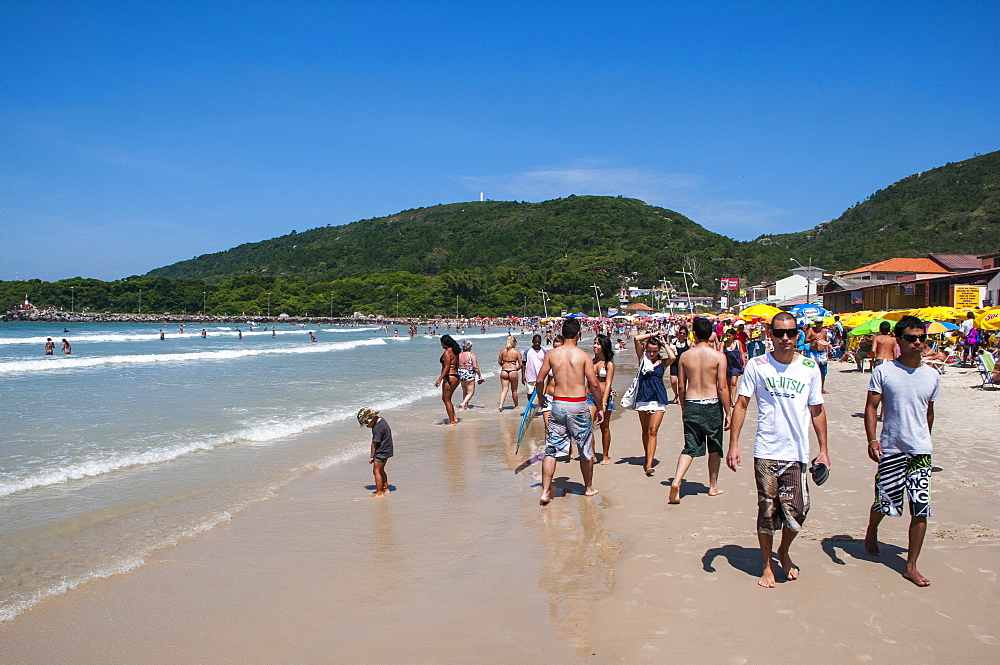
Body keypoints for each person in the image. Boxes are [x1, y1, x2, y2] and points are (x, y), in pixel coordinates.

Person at [726, 311, 830, 588]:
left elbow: (817, 409)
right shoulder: (758, 365)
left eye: (791, 333)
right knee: (768, 511)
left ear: (798, 335)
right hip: (766, 450)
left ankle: (783, 550)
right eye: (779, 333)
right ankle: (767, 565)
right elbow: (742, 404)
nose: (785, 338)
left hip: (796, 452)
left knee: (797, 510)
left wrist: (824, 449)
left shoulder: (809, 368)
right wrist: (733, 444)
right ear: (770, 335)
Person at [863, 315, 939, 587]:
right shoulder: (884, 372)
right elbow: (871, 407)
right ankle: (872, 529)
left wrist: (924, 440)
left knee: (920, 507)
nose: (918, 343)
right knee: (884, 501)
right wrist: (873, 440)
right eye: (911, 338)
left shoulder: (932, 375)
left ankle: (911, 565)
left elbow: (929, 412)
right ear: (899, 340)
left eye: (922, 338)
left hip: (919, 451)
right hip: (891, 448)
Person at [535, 318, 605, 505]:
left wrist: (541, 397)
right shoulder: (582, 356)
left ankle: (545, 491)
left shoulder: (552, 354)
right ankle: (588, 487)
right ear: (578, 334)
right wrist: (600, 408)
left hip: (558, 404)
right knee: (584, 448)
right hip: (578, 404)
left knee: (551, 449)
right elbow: (594, 384)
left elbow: (540, 379)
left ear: (562, 331)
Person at [669, 317, 731, 504]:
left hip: (692, 402)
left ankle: (677, 481)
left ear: (693, 333)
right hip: (712, 404)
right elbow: (722, 387)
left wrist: (683, 406)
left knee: (690, 446)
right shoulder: (719, 357)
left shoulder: (685, 356)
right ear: (711, 333)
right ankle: (712, 486)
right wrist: (728, 411)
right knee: (714, 446)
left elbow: (681, 386)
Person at [632, 330, 676, 477]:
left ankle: (649, 464)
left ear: (659, 351)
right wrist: (653, 334)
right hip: (643, 396)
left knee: (653, 430)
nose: (651, 354)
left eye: (654, 351)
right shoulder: (642, 359)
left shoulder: (662, 362)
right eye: (649, 351)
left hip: (658, 397)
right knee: (645, 430)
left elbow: (673, 357)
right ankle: (647, 456)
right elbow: (637, 338)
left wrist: (663, 342)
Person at [589, 334, 616, 464]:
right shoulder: (591, 361)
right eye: (594, 343)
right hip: (589, 397)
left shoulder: (609, 364)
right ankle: (592, 454)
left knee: (604, 427)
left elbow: (609, 383)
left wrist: (604, 402)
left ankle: (605, 455)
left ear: (604, 346)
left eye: (598, 344)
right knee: (589, 425)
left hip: (605, 396)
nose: (595, 346)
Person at [358, 407, 393, 498]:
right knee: (381, 470)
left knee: (376, 471)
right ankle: (385, 488)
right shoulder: (382, 421)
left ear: (371, 419)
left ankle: (379, 492)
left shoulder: (377, 428)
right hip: (387, 449)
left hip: (381, 451)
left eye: (366, 423)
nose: (366, 426)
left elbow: (374, 444)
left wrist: (372, 456)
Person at [435, 334, 461, 425]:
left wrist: (439, 379)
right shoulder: (455, 351)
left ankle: (452, 421)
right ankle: (454, 418)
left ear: (445, 343)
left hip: (450, 376)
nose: (441, 345)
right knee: (448, 399)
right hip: (456, 376)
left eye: (442, 343)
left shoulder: (447, 352)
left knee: (446, 399)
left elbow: (446, 367)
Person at [497, 336, 522, 411]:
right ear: (514, 343)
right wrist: (516, 368)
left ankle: (501, 405)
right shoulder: (517, 352)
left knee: (504, 389)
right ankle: (516, 406)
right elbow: (521, 364)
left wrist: (503, 366)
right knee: (514, 390)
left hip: (504, 371)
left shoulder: (502, 351)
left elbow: (499, 361)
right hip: (513, 371)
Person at [457, 340, 484, 409]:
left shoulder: (459, 354)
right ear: (469, 347)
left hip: (461, 374)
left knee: (465, 391)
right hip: (469, 374)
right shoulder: (471, 355)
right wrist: (479, 375)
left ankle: (466, 405)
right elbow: (475, 366)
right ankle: (463, 404)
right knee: (470, 392)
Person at [722, 328, 745, 406]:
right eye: (727, 336)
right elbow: (720, 354)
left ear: (734, 336)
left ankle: (733, 400)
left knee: (734, 383)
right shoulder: (724, 344)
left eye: (729, 336)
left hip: (735, 365)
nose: (727, 337)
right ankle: (727, 399)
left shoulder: (738, 343)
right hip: (727, 366)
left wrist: (744, 363)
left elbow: (742, 354)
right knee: (727, 384)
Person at [808, 321, 832, 393]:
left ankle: (821, 388)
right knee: (812, 370)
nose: (819, 324)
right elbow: (805, 340)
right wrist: (813, 339)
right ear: (815, 323)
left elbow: (826, 342)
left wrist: (827, 352)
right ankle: (812, 387)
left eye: (821, 323)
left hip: (822, 351)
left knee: (823, 371)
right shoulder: (811, 330)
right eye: (818, 323)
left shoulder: (824, 331)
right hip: (813, 351)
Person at [522, 334, 547, 400]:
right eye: (535, 342)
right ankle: (530, 406)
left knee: (540, 393)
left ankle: (539, 406)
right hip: (530, 376)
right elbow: (523, 364)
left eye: (539, 342)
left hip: (541, 377)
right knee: (530, 393)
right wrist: (523, 376)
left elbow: (546, 365)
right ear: (532, 341)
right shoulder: (527, 351)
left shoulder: (544, 352)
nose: (537, 343)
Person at [669, 326, 690, 403]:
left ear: (686, 335)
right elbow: (669, 350)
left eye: (683, 333)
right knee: (673, 381)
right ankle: (676, 394)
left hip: (683, 365)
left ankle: (681, 398)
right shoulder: (674, 341)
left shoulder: (688, 343)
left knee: (682, 384)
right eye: (680, 333)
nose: (681, 334)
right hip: (674, 363)